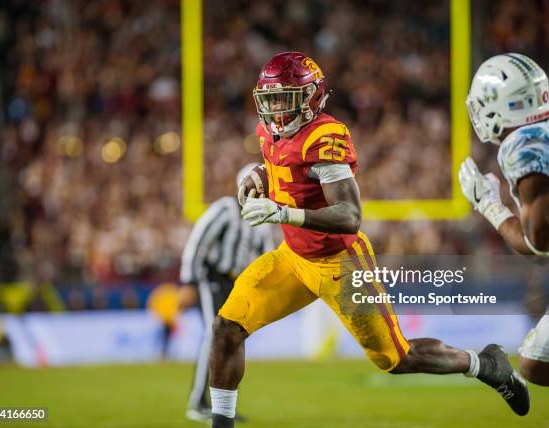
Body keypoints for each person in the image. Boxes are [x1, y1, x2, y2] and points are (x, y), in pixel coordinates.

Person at [208, 51, 530, 428]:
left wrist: (284, 213)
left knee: (398, 360)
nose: (276, 109)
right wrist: (259, 176)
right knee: (227, 327)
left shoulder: (325, 137)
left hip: (341, 264)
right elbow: (281, 165)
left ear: (311, 97)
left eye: (285, 98)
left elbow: (349, 216)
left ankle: (488, 365)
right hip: (293, 258)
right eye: (271, 99)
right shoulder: (270, 130)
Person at [459, 53, 549, 391]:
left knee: (536, 364)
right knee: (537, 359)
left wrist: (488, 203)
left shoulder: (525, 148)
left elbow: (540, 249)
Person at [180, 164, 275, 423]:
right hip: (211, 277)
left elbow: (267, 258)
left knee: (231, 338)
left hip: (237, 284)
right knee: (215, 334)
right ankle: (199, 402)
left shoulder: (263, 219)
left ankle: (220, 406)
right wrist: (188, 280)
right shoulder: (226, 208)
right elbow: (198, 242)